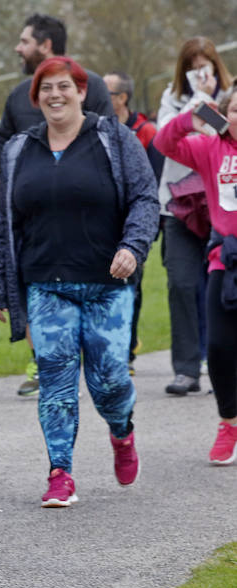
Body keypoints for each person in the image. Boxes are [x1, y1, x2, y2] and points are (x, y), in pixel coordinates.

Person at [0, 57, 159, 507]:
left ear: (82, 92)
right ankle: (60, 472)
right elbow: (4, 222)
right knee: (56, 380)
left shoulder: (112, 138)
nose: (55, 95)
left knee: (109, 381)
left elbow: (144, 199)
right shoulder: (19, 148)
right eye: (46, 89)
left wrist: (132, 248)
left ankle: (121, 431)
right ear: (36, 97)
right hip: (46, 285)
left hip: (107, 283)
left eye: (64, 87)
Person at [0, 13, 114, 398]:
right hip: (30, 214)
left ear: (45, 46)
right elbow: (0, 138)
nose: (18, 48)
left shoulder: (94, 87)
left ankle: (94, 361)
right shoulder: (20, 94)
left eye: (24, 41)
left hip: (83, 218)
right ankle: (45, 364)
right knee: (34, 286)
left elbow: (111, 143)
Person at [155, 84, 237, 465]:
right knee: (219, 348)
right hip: (226, 261)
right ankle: (229, 423)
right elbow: (164, 143)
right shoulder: (211, 150)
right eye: (234, 110)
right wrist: (193, 117)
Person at [155, 37, 232, 396]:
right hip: (180, 206)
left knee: (223, 290)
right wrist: (198, 100)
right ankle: (186, 368)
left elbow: (220, 131)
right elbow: (166, 138)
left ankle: (223, 366)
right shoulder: (170, 101)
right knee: (182, 284)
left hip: (221, 206)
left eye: (207, 65)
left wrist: (213, 100)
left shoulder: (231, 98)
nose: (201, 72)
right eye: (193, 66)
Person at [104, 71, 165, 376]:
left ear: (122, 98)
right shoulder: (95, 128)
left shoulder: (146, 132)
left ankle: (126, 351)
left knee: (132, 287)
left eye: (106, 92)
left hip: (134, 225)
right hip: (102, 224)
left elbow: (151, 186)